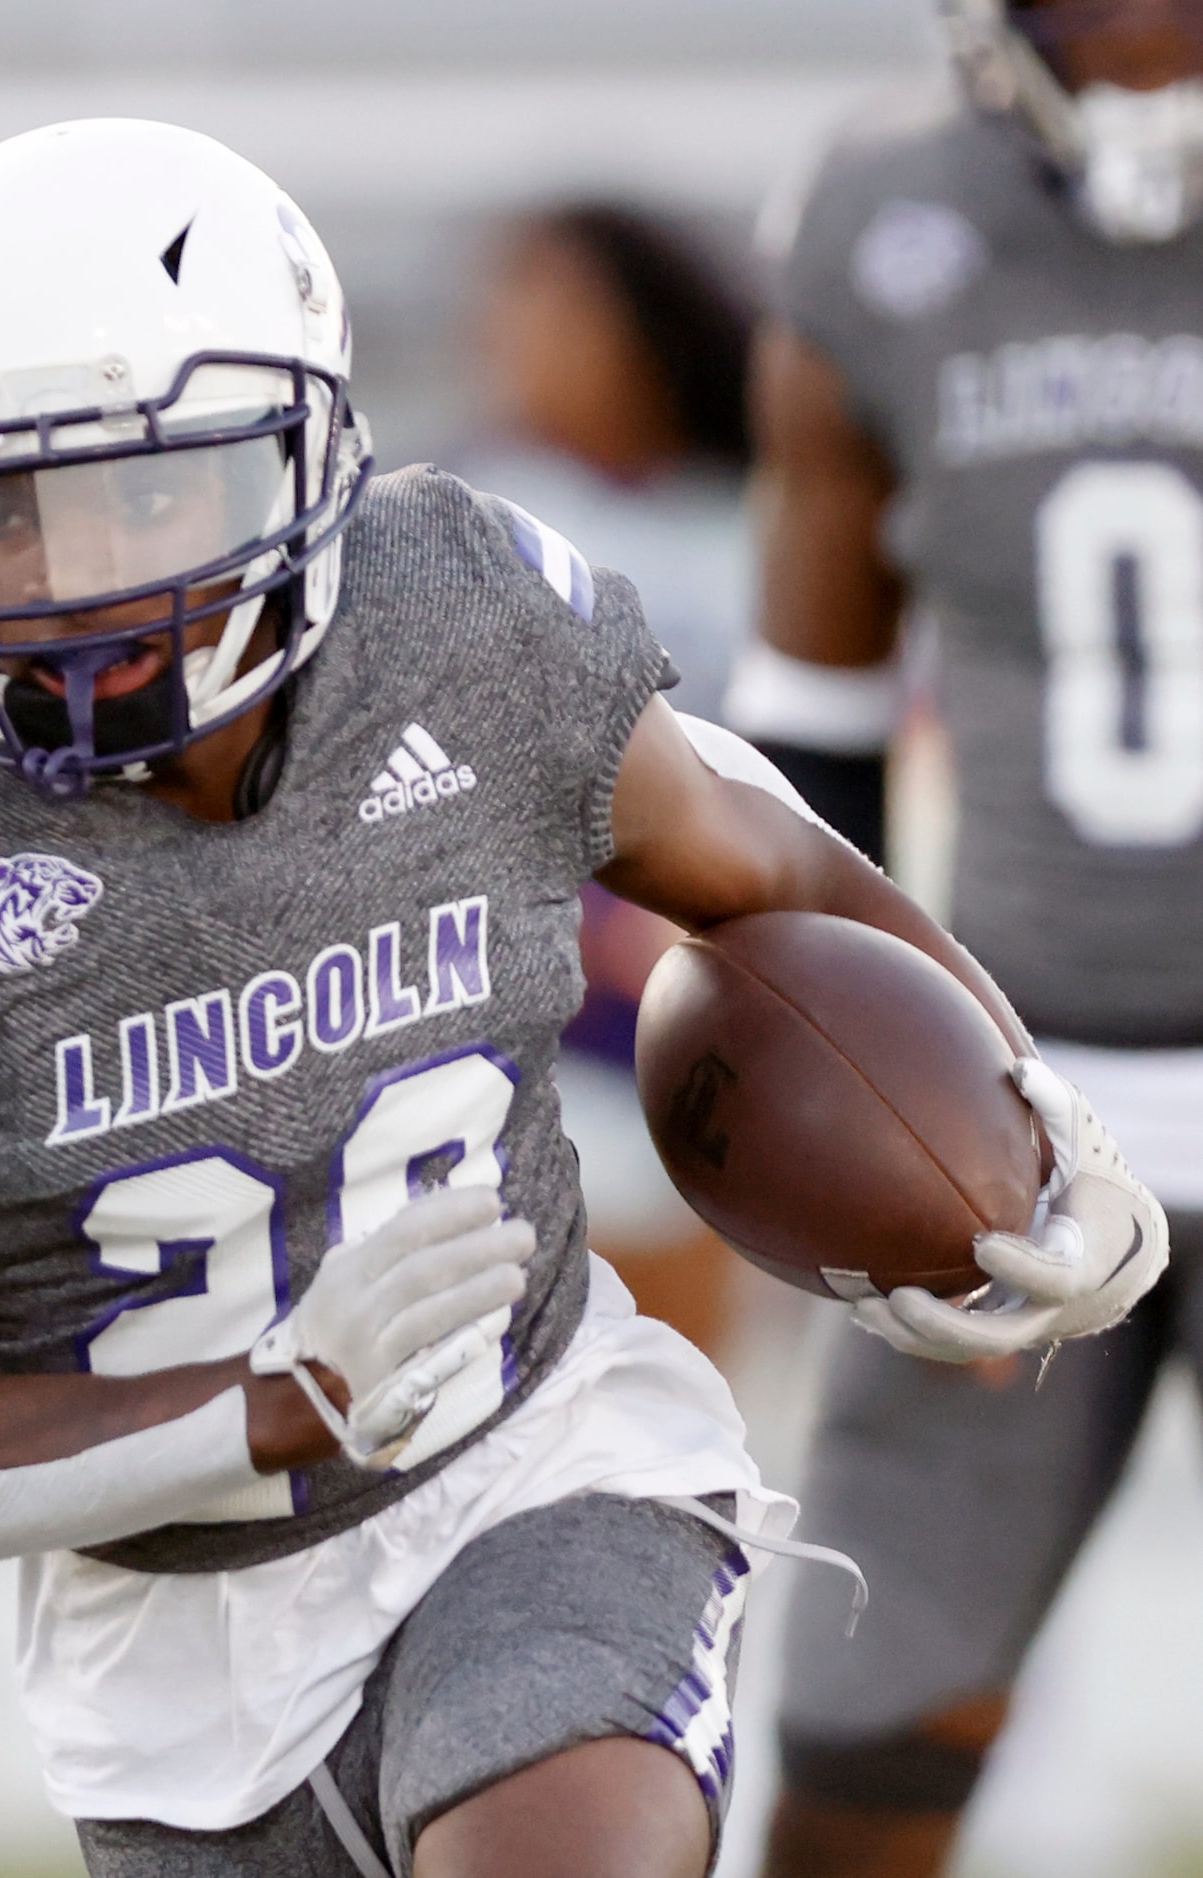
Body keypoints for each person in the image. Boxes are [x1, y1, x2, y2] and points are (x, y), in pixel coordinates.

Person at [0, 119, 1165, 1878]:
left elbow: (767, 863)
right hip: (171, 1632)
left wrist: (1016, 1119)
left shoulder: (451, 611)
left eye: (150, 486)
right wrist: (270, 1402)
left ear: (303, 454)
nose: (70, 573)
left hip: (531, 1460)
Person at [730, 1, 1203, 1871]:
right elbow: (811, 724)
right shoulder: (879, 212)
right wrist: (844, 1100)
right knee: (863, 1713)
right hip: (1022, 1117)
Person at [458, 201, 765, 1354]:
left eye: (555, 313)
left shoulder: (754, 522)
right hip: (529, 1013)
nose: (513, 343)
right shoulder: (461, 517)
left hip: (707, 1004)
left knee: (678, 1402)